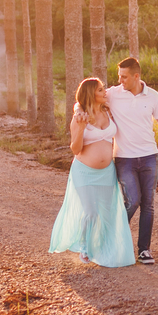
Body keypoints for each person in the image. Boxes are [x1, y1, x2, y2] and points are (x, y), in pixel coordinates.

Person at [48, 78, 135, 268]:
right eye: (101, 90)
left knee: (106, 213)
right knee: (91, 212)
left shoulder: (108, 110)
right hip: (84, 172)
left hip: (107, 172)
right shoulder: (79, 118)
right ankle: (84, 246)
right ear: (91, 94)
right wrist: (80, 129)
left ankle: (102, 247)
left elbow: (123, 94)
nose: (105, 92)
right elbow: (76, 149)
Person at [107, 57, 158, 265]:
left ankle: (144, 250)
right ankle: (110, 240)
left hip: (150, 157)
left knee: (148, 204)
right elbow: (87, 99)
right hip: (124, 159)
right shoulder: (113, 94)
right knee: (133, 200)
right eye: (119, 76)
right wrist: (78, 112)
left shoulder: (153, 96)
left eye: (124, 77)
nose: (120, 80)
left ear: (136, 76)